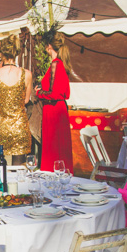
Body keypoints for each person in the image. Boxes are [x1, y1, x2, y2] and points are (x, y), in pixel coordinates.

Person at [0, 33, 33, 164]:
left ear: (2, 52)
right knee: (19, 174)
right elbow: (25, 100)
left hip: (0, 126)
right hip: (19, 127)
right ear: (16, 53)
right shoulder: (26, 74)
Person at [36, 27, 73, 173]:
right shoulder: (61, 63)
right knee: (59, 148)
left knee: (53, 148)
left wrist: (39, 92)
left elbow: (54, 93)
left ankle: (52, 177)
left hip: (53, 110)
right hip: (58, 109)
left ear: (48, 46)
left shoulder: (55, 64)